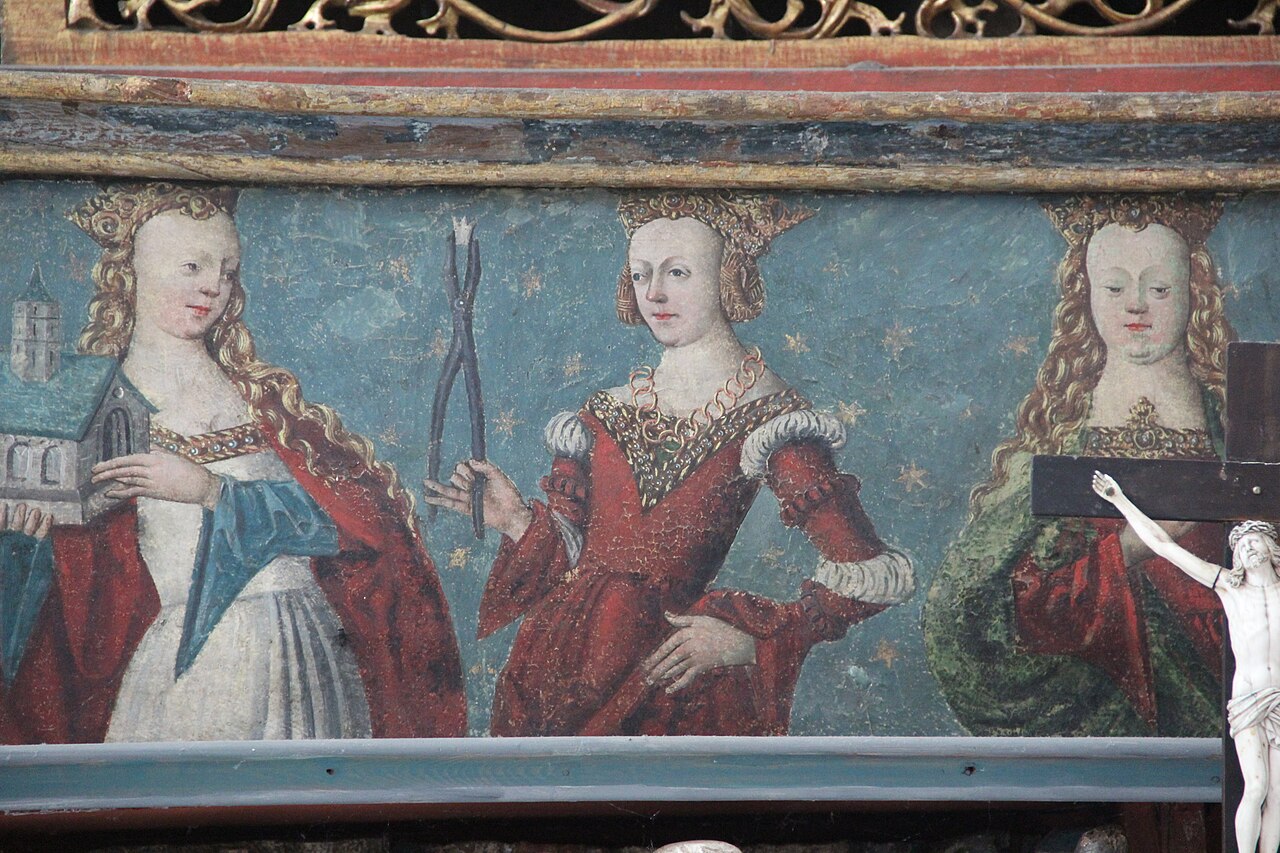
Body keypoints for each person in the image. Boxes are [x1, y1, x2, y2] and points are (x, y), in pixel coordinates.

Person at [425, 191, 914, 736]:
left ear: (728, 275)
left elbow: (864, 573)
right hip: (551, 667)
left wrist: (753, 641)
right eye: (641, 275)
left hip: (663, 684)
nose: (654, 293)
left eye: (677, 272)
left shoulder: (773, 419)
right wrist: (516, 518)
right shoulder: (603, 412)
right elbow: (576, 560)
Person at [0, 183, 466, 743]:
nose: (212, 286)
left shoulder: (265, 401)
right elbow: (80, 596)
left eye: (227, 271)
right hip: (191, 668)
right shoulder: (92, 407)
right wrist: (27, 537)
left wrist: (211, 491)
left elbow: (356, 528)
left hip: (306, 654)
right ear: (132, 273)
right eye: (192, 266)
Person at [924, 194, 1234, 736]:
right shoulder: (1060, 434)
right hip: (1104, 709)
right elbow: (976, 604)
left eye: (1159, 289)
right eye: (1114, 288)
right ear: (1084, 295)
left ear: (1195, 293)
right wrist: (1136, 546)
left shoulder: (1233, 427)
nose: (1135, 306)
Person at [1092, 472, 1279, 853]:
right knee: (1256, 786)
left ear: (1271, 545)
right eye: (1241, 544)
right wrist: (1119, 500)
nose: (1248, 549)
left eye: (1254, 541)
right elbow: (1165, 546)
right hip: (1249, 696)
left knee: (1278, 794)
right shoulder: (1229, 586)